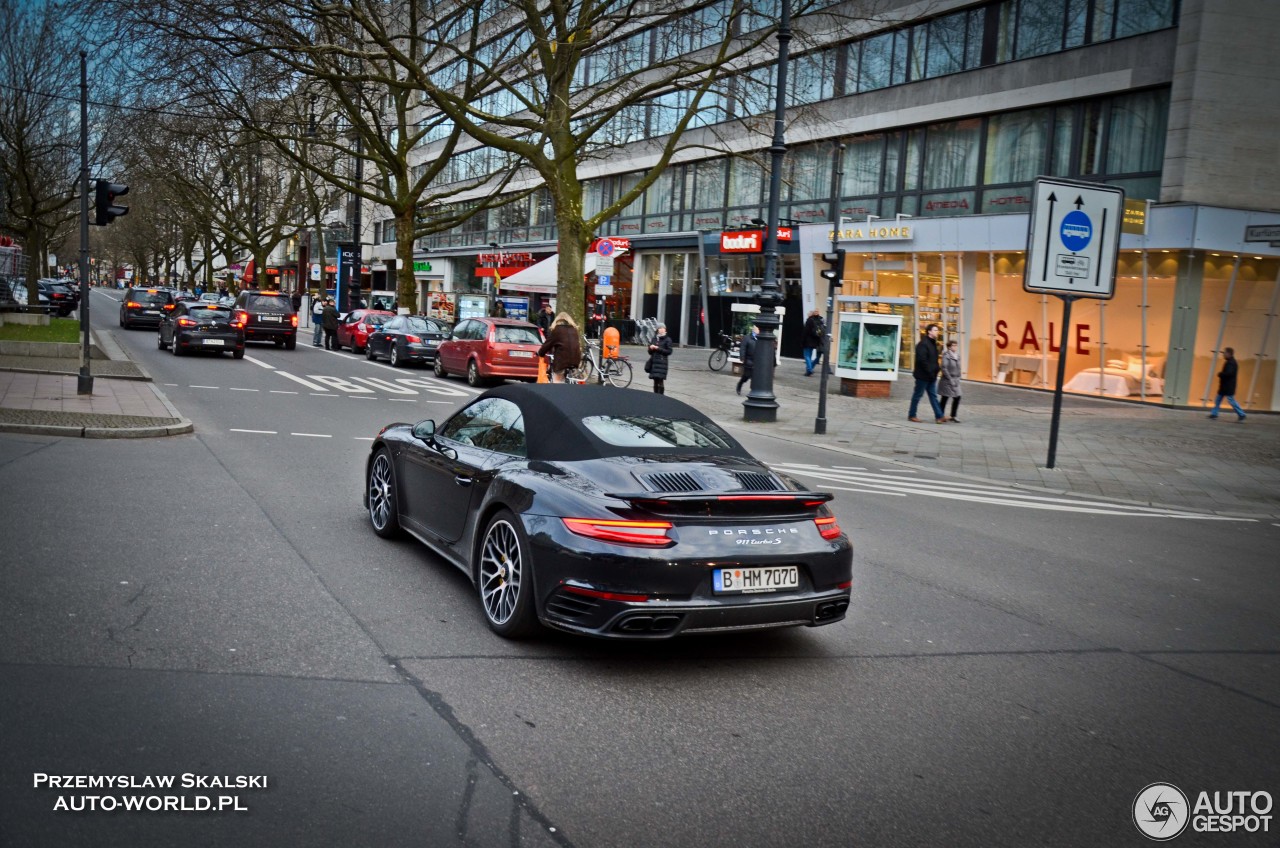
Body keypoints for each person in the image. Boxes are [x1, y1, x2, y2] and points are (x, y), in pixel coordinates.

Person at [908, 323, 946, 423]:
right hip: (923, 376)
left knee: (933, 396)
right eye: (935, 330)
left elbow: (934, 360)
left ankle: (939, 416)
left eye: (937, 330)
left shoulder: (933, 343)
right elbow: (922, 360)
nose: (937, 332)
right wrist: (930, 372)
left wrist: (936, 369)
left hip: (931, 376)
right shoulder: (923, 344)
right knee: (917, 395)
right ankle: (912, 415)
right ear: (929, 331)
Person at [537, 311, 582, 383]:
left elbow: (547, 344)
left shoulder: (557, 330)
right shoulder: (574, 330)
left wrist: (540, 353)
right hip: (575, 360)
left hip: (562, 362)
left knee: (557, 381)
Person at [1208, 347, 1246, 421]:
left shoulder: (1231, 363)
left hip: (1228, 386)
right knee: (1218, 399)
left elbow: (1229, 373)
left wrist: (1220, 374)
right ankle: (1214, 414)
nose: (1223, 355)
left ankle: (1241, 414)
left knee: (1230, 400)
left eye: (1224, 353)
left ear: (1229, 353)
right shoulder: (1231, 362)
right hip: (1226, 386)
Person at [938, 339, 962, 423]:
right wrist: (950, 379)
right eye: (953, 345)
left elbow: (959, 368)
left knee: (957, 397)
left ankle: (953, 415)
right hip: (947, 380)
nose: (955, 347)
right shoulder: (946, 355)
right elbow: (944, 368)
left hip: (956, 380)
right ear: (949, 346)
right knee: (945, 397)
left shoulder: (958, 356)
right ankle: (940, 415)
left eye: (956, 345)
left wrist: (959, 377)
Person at [646, 323, 673, 394]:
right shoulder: (654, 338)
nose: (661, 329)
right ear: (657, 330)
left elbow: (669, 351)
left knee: (660, 381)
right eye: (660, 328)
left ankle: (661, 397)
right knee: (655, 381)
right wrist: (650, 348)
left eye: (663, 328)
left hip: (662, 363)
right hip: (654, 362)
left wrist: (658, 348)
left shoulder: (668, 339)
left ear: (665, 329)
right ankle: (655, 396)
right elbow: (650, 352)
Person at [736, 324, 759, 395]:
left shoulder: (761, 338)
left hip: (757, 361)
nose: (758, 330)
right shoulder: (747, 338)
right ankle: (740, 384)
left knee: (755, 377)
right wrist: (742, 357)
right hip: (748, 359)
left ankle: (753, 391)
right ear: (753, 329)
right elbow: (743, 348)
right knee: (746, 376)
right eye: (757, 328)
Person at [802, 309, 825, 376]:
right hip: (814, 342)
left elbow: (805, 332)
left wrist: (802, 341)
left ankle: (809, 369)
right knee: (810, 355)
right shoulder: (818, 321)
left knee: (807, 356)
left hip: (807, 341)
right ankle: (808, 370)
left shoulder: (809, 321)